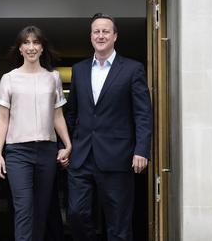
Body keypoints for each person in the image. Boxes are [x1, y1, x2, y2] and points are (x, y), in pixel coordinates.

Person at [65, 13, 153, 241]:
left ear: (115, 36)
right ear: (91, 36)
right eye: (96, 31)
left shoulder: (133, 69)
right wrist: (67, 145)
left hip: (118, 156)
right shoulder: (79, 70)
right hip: (82, 155)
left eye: (105, 31)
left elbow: (142, 113)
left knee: (118, 223)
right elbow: (72, 112)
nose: (100, 35)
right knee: (76, 213)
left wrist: (141, 150)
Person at [0, 25, 72, 241]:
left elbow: (57, 115)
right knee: (24, 208)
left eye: (35, 42)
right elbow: (3, 119)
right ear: (19, 49)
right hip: (18, 152)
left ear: (42, 47)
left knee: (41, 211)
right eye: (26, 43)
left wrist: (68, 144)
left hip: (47, 151)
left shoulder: (53, 78)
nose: (31, 47)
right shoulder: (9, 79)